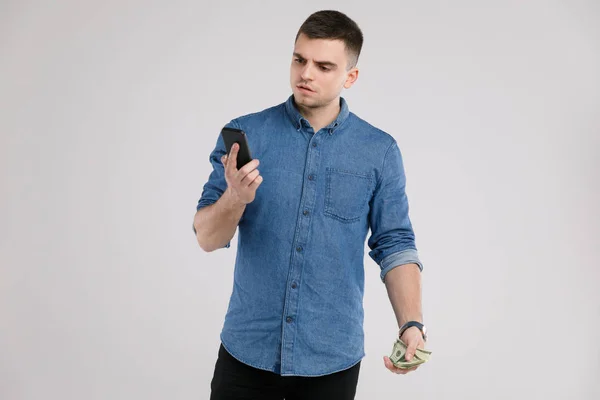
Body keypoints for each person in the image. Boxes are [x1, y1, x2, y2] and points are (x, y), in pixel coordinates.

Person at [193, 9, 426, 400]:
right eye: (300, 59)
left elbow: (395, 243)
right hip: (246, 353)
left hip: (331, 358)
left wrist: (411, 324)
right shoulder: (246, 134)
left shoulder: (379, 151)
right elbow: (207, 238)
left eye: (324, 66)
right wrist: (235, 197)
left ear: (349, 76)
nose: (306, 74)